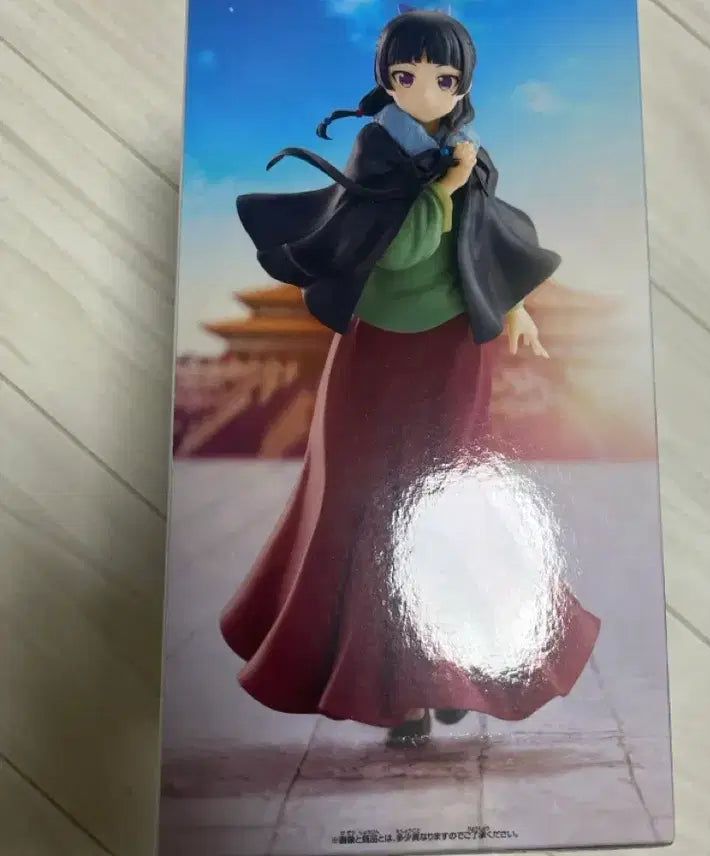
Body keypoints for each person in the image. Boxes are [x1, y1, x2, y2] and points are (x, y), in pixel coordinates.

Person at [219, 8, 601, 747]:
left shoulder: (465, 151)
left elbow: (483, 241)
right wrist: (443, 189)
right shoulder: (377, 150)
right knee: (370, 507)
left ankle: (453, 671)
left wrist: (515, 305)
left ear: (463, 84)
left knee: (452, 507)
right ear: (386, 78)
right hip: (379, 347)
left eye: (444, 78)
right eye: (406, 75)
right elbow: (396, 252)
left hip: (456, 347)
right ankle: (401, 693)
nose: (425, 90)